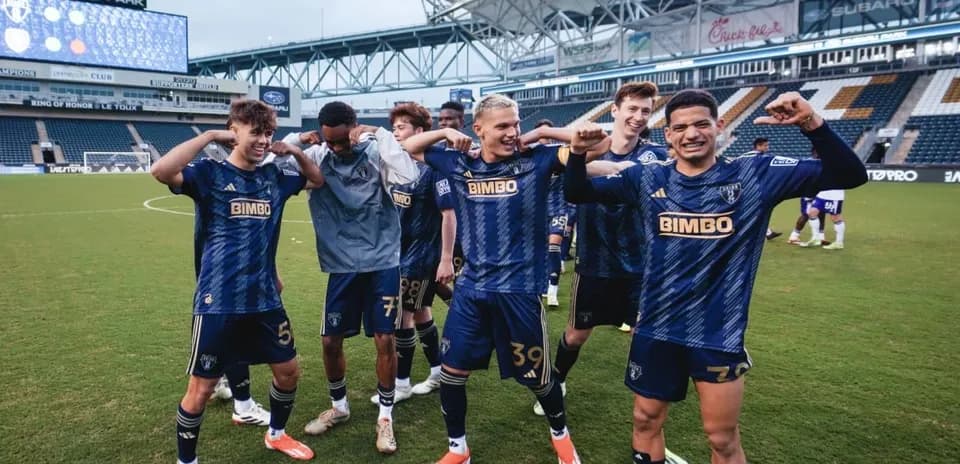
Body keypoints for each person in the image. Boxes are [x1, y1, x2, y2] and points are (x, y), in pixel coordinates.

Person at [565, 89, 867, 464]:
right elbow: (576, 191)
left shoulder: (755, 173)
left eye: (701, 124)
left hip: (717, 333)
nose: (691, 134)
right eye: (680, 128)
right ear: (668, 135)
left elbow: (852, 174)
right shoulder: (647, 178)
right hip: (655, 328)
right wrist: (577, 153)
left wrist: (811, 123)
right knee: (645, 420)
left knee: (721, 438)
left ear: (719, 127)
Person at [400, 94, 619, 464]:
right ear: (479, 129)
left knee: (537, 378)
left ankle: (560, 435)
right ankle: (458, 449)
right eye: (503, 126)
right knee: (453, 374)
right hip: (471, 291)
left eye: (515, 124)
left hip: (519, 292)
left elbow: (601, 145)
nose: (512, 132)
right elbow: (409, 145)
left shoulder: (537, 161)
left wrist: (543, 132)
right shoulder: (458, 164)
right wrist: (445, 132)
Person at [152, 99, 324, 463]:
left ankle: (276, 435)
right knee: (202, 387)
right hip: (219, 300)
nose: (263, 140)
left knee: (289, 371)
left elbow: (316, 179)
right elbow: (162, 170)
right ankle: (187, 460)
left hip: (264, 298)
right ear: (234, 132)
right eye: (255, 132)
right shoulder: (210, 175)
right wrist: (211, 135)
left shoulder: (274, 177)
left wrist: (292, 149)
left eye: (268, 133)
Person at [274, 101, 433, 454]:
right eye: (330, 142)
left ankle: (385, 418)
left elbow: (407, 176)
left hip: (382, 260)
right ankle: (340, 407)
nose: (337, 148)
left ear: (356, 127)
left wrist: (381, 133)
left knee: (384, 338)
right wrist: (298, 139)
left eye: (343, 141)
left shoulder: (376, 150)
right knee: (330, 342)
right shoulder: (316, 155)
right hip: (342, 264)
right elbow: (273, 164)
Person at [533, 82, 668, 417]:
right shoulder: (592, 149)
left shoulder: (656, 156)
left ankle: (650, 398)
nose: (638, 117)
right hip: (594, 261)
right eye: (632, 109)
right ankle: (557, 382)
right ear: (615, 110)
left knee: (646, 335)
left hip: (640, 264)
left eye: (645, 111)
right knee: (576, 335)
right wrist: (595, 166)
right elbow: (565, 177)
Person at [366, 103, 456, 403]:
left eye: (402, 127)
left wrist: (445, 258)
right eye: (394, 127)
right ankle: (437, 371)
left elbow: (449, 214)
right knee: (420, 313)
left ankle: (401, 384)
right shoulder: (396, 163)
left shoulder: (433, 169)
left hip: (420, 255)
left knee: (401, 318)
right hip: (396, 253)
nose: (396, 132)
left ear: (419, 132)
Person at [539, 118, 569, 309]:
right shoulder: (531, 158)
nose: (546, 139)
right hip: (537, 212)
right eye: (542, 134)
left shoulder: (560, 155)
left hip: (558, 208)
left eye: (548, 134)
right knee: (541, 251)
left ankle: (552, 291)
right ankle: (542, 283)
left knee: (553, 247)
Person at [745, 138, 783, 241]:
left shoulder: (751, 156)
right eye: (765, 145)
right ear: (758, 146)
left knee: (757, 212)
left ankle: (768, 232)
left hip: (753, 188)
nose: (767, 147)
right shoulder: (757, 158)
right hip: (751, 190)